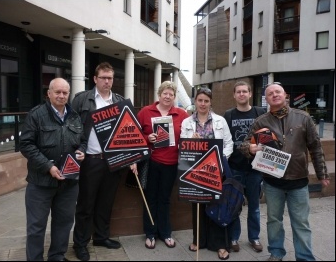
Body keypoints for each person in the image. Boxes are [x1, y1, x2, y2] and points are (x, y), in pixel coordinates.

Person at [240, 82, 330, 261]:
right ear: (266, 99)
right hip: (273, 182)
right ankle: (276, 253)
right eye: (270, 93)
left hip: (298, 181)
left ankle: (304, 257)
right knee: (274, 221)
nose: (274, 95)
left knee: (301, 223)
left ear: (285, 95)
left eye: (277, 92)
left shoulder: (303, 118)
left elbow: (316, 147)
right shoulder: (261, 122)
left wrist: (322, 174)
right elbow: (244, 145)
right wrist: (250, 149)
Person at [19, 78, 86, 261]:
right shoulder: (36, 115)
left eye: (65, 92)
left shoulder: (74, 116)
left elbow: (83, 140)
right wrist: (48, 166)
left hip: (69, 183)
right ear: (48, 93)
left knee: (64, 223)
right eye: (57, 92)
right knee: (36, 227)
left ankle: (57, 256)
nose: (62, 96)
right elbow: (25, 145)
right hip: (41, 182)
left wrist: (82, 151)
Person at [71, 62, 125, 261]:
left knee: (106, 202)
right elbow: (71, 126)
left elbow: (126, 130)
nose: (107, 81)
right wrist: (77, 150)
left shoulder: (119, 101)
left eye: (110, 78)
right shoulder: (82, 99)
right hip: (90, 160)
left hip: (112, 161)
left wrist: (130, 156)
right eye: (103, 77)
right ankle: (80, 243)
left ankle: (101, 237)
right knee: (85, 204)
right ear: (95, 79)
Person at [130, 81, 189, 250]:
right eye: (165, 93)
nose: (168, 97)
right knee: (150, 199)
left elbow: (187, 135)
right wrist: (148, 137)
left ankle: (166, 233)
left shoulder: (181, 114)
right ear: (159, 94)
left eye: (171, 94)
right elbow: (134, 134)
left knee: (165, 199)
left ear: (174, 96)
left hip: (171, 163)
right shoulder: (145, 112)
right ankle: (150, 233)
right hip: (152, 162)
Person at [180, 87, 234, 260]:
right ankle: (199, 240)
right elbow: (183, 146)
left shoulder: (220, 121)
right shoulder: (187, 122)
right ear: (195, 101)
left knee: (217, 205)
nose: (203, 104)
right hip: (196, 170)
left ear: (211, 102)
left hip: (216, 169)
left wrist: (219, 158)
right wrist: (191, 142)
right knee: (197, 204)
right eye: (200, 100)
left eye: (206, 101)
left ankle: (219, 244)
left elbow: (229, 143)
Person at [223, 81, 265, 253]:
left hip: (256, 168)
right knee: (235, 205)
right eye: (238, 92)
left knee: (254, 206)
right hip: (235, 167)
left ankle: (254, 238)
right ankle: (234, 238)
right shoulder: (228, 115)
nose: (241, 94)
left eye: (244, 91)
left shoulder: (260, 112)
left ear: (250, 94)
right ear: (234, 95)